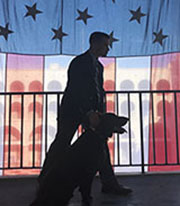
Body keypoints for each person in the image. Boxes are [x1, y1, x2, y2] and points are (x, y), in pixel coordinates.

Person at [39, 31, 132, 195]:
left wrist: (99, 113)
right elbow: (76, 90)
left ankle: (109, 183)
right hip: (73, 111)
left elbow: (98, 91)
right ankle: (45, 178)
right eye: (105, 45)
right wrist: (88, 112)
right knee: (62, 143)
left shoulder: (98, 66)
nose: (108, 49)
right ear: (95, 44)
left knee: (100, 144)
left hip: (91, 113)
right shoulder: (79, 63)